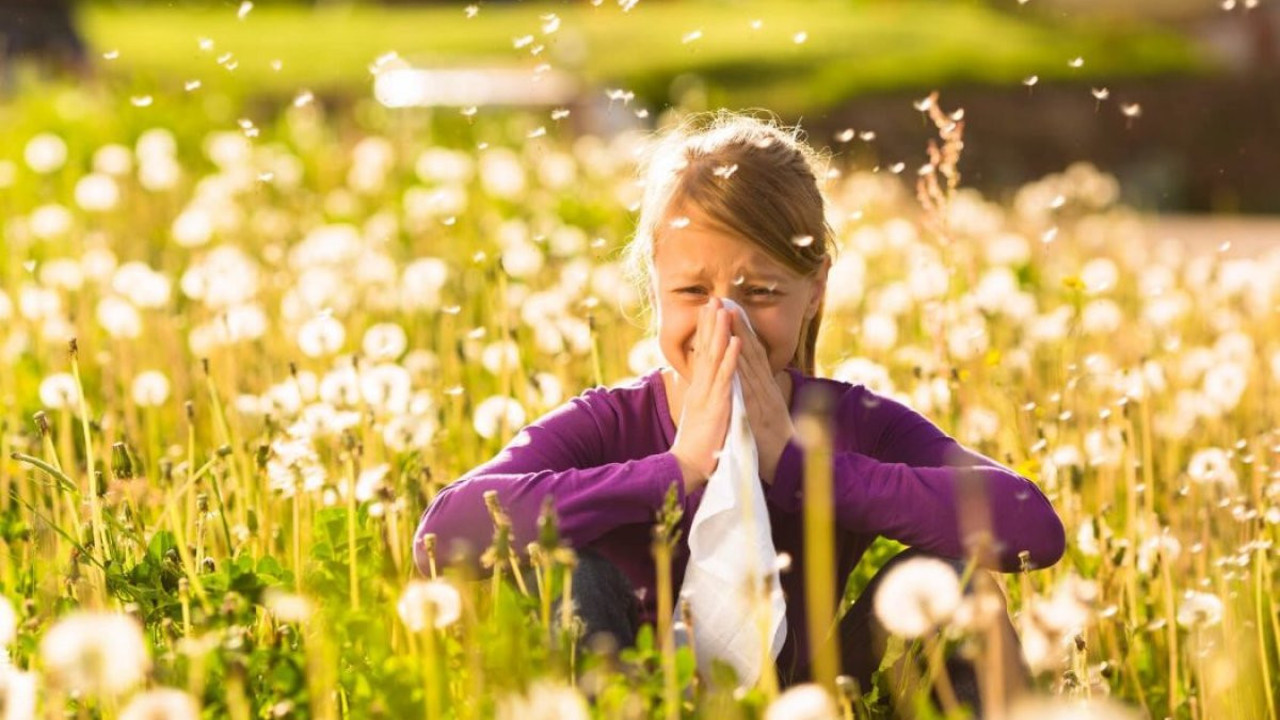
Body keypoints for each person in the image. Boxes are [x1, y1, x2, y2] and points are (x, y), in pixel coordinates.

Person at [414, 111, 1065, 710]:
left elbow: (1032, 527)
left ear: (815, 292)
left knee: (955, 584)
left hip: (809, 702)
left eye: (760, 292)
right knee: (573, 577)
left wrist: (806, 470)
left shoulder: (849, 422)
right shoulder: (611, 423)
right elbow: (442, 536)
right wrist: (676, 471)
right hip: (634, 697)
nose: (724, 322)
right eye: (693, 290)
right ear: (654, 286)